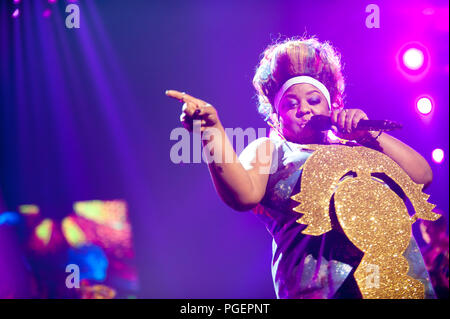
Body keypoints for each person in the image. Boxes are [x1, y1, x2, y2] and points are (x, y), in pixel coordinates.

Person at [166, 36, 437, 299]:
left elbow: (422, 176)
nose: (304, 109)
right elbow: (242, 195)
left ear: (333, 105)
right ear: (276, 116)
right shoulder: (272, 149)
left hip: (401, 287)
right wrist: (211, 130)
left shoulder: (362, 147)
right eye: (290, 104)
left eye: (314, 100)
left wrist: (368, 135)